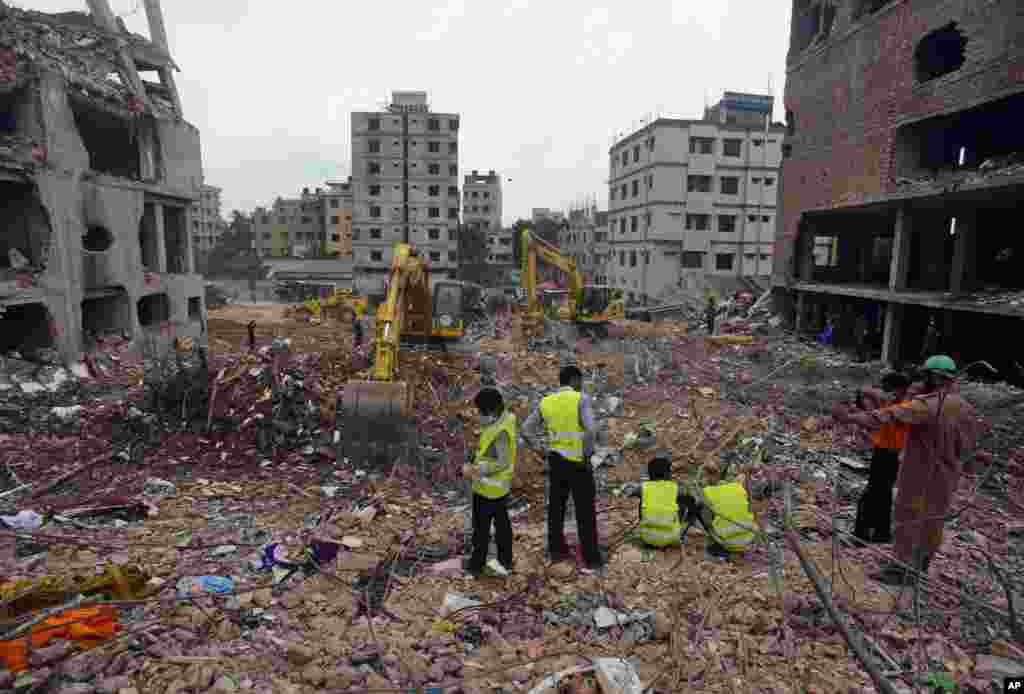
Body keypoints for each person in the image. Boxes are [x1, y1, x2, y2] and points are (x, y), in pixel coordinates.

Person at [834, 356, 980, 585]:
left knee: (907, 517)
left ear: (935, 377)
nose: (922, 381)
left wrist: (850, 418)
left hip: (920, 473)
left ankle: (901, 570)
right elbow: (969, 447)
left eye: (926, 376)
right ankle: (919, 566)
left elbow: (889, 415)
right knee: (932, 521)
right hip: (947, 475)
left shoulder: (929, 406)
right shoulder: (964, 407)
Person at [521, 364, 604, 574]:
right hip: (578, 463)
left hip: (556, 462)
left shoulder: (546, 402)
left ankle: (556, 551)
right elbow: (591, 430)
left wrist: (540, 451)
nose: (581, 385)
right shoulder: (581, 399)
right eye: (581, 381)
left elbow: (526, 429)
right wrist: (587, 454)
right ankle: (592, 559)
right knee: (584, 510)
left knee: (556, 508)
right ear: (575, 380)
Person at [850, 372, 912, 544]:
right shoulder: (893, 402)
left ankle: (861, 534)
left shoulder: (905, 407)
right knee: (882, 494)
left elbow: (879, 416)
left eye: (887, 388)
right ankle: (880, 533)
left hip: (890, 454)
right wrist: (863, 396)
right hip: (883, 451)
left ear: (898, 389)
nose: (884, 391)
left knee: (873, 494)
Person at [461, 387, 516, 577]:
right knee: (501, 525)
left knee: (482, 529)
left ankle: (477, 565)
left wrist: (478, 469)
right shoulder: (504, 418)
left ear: (491, 413)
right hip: (497, 487)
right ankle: (505, 561)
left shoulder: (500, 431)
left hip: (489, 489)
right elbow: (489, 449)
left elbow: (503, 461)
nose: (477, 415)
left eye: (480, 412)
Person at [621, 450, 684, 548]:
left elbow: (628, 492)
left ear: (649, 474)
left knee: (644, 500)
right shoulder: (675, 487)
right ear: (668, 474)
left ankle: (650, 528)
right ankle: (680, 531)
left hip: (647, 537)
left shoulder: (643, 487)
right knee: (682, 501)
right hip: (671, 536)